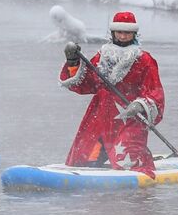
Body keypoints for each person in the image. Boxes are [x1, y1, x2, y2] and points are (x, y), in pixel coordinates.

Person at [61, 10, 164, 177]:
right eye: (120, 32)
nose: (123, 36)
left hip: (129, 119)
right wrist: (73, 63)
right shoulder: (103, 55)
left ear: (134, 34)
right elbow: (85, 84)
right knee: (84, 159)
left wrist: (140, 105)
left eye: (127, 33)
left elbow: (155, 93)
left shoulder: (145, 60)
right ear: (113, 33)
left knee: (129, 163)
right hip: (100, 116)